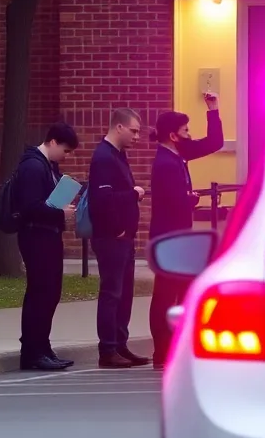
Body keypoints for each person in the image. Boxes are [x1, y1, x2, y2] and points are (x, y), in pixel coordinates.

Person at [148, 98, 223, 369]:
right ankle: (162, 351)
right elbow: (174, 201)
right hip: (169, 239)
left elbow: (214, 143)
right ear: (173, 135)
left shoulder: (178, 155)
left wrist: (213, 110)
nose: (190, 135)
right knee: (165, 295)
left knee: (182, 292)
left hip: (179, 237)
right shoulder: (166, 163)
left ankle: (177, 346)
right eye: (186, 131)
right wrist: (190, 200)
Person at [86, 107, 150, 369]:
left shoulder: (119, 155)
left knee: (124, 293)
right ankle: (108, 349)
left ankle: (120, 344)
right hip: (112, 237)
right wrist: (132, 196)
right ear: (119, 127)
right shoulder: (103, 158)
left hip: (125, 237)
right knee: (112, 292)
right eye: (133, 130)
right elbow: (102, 199)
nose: (137, 136)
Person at [14, 122, 80, 371]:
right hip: (36, 236)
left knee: (50, 293)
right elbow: (30, 206)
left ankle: (42, 346)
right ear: (52, 142)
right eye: (64, 150)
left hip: (48, 235)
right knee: (40, 293)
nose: (66, 156)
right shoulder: (33, 166)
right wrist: (59, 212)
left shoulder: (48, 166)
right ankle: (32, 351)